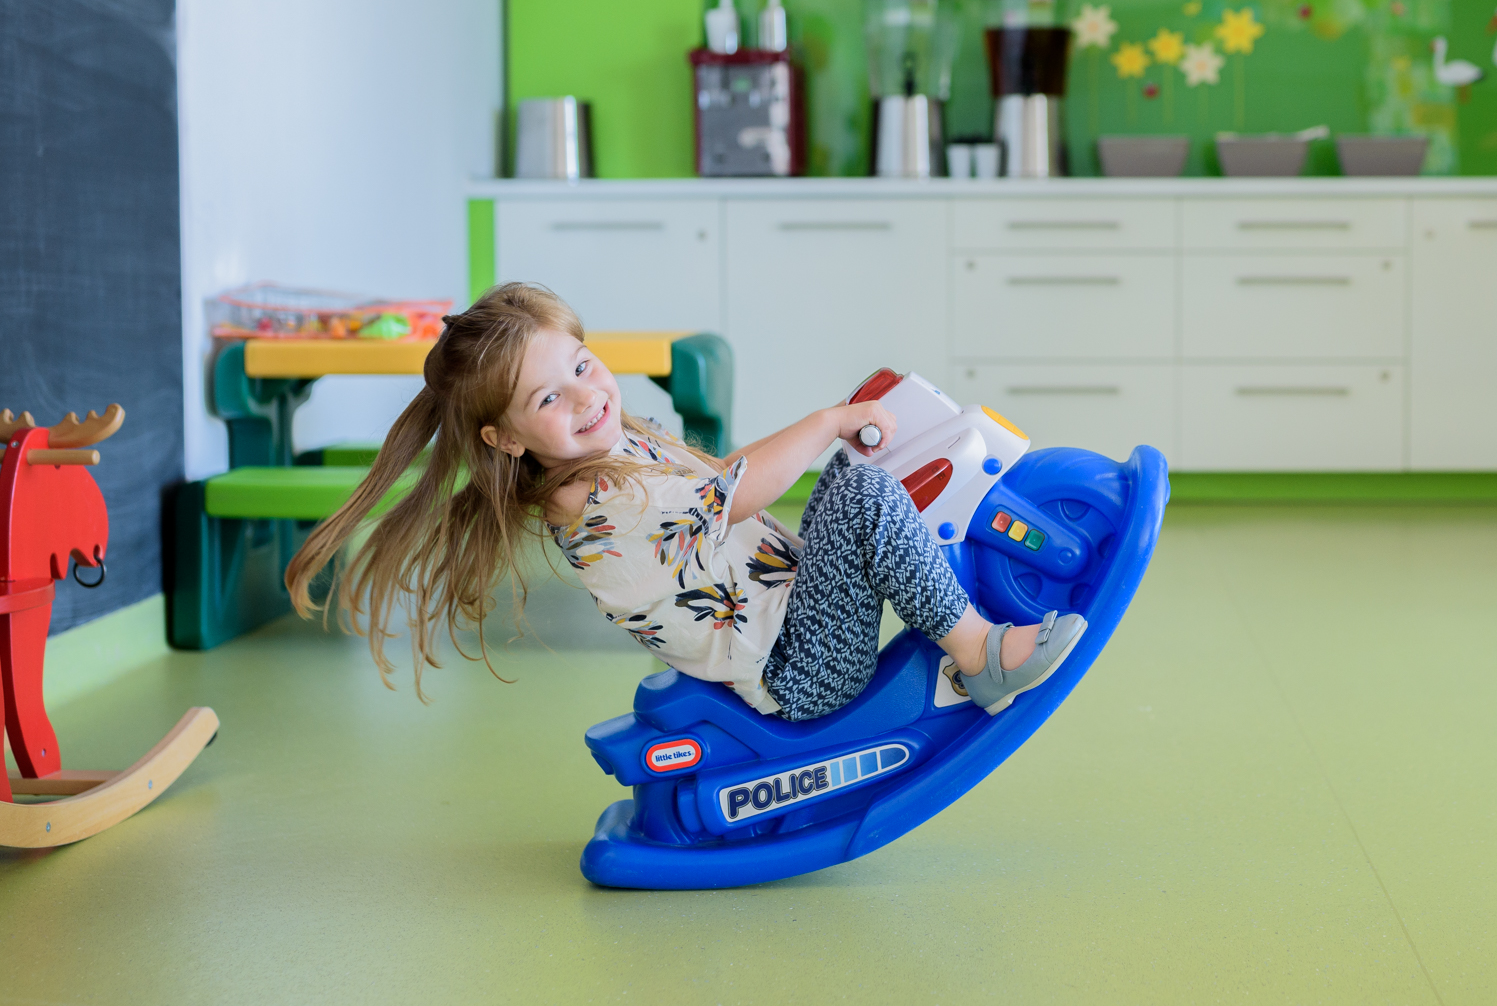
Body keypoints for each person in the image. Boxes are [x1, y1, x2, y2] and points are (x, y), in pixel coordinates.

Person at [284, 282, 1084, 720]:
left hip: (793, 613)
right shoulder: (592, 502)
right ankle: (978, 653)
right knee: (864, 491)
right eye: (548, 399)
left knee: (851, 479)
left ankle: (934, 591)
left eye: (581, 366)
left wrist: (830, 438)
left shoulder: (608, 451)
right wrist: (824, 421)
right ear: (506, 439)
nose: (585, 396)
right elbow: (732, 494)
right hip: (799, 668)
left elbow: (722, 479)